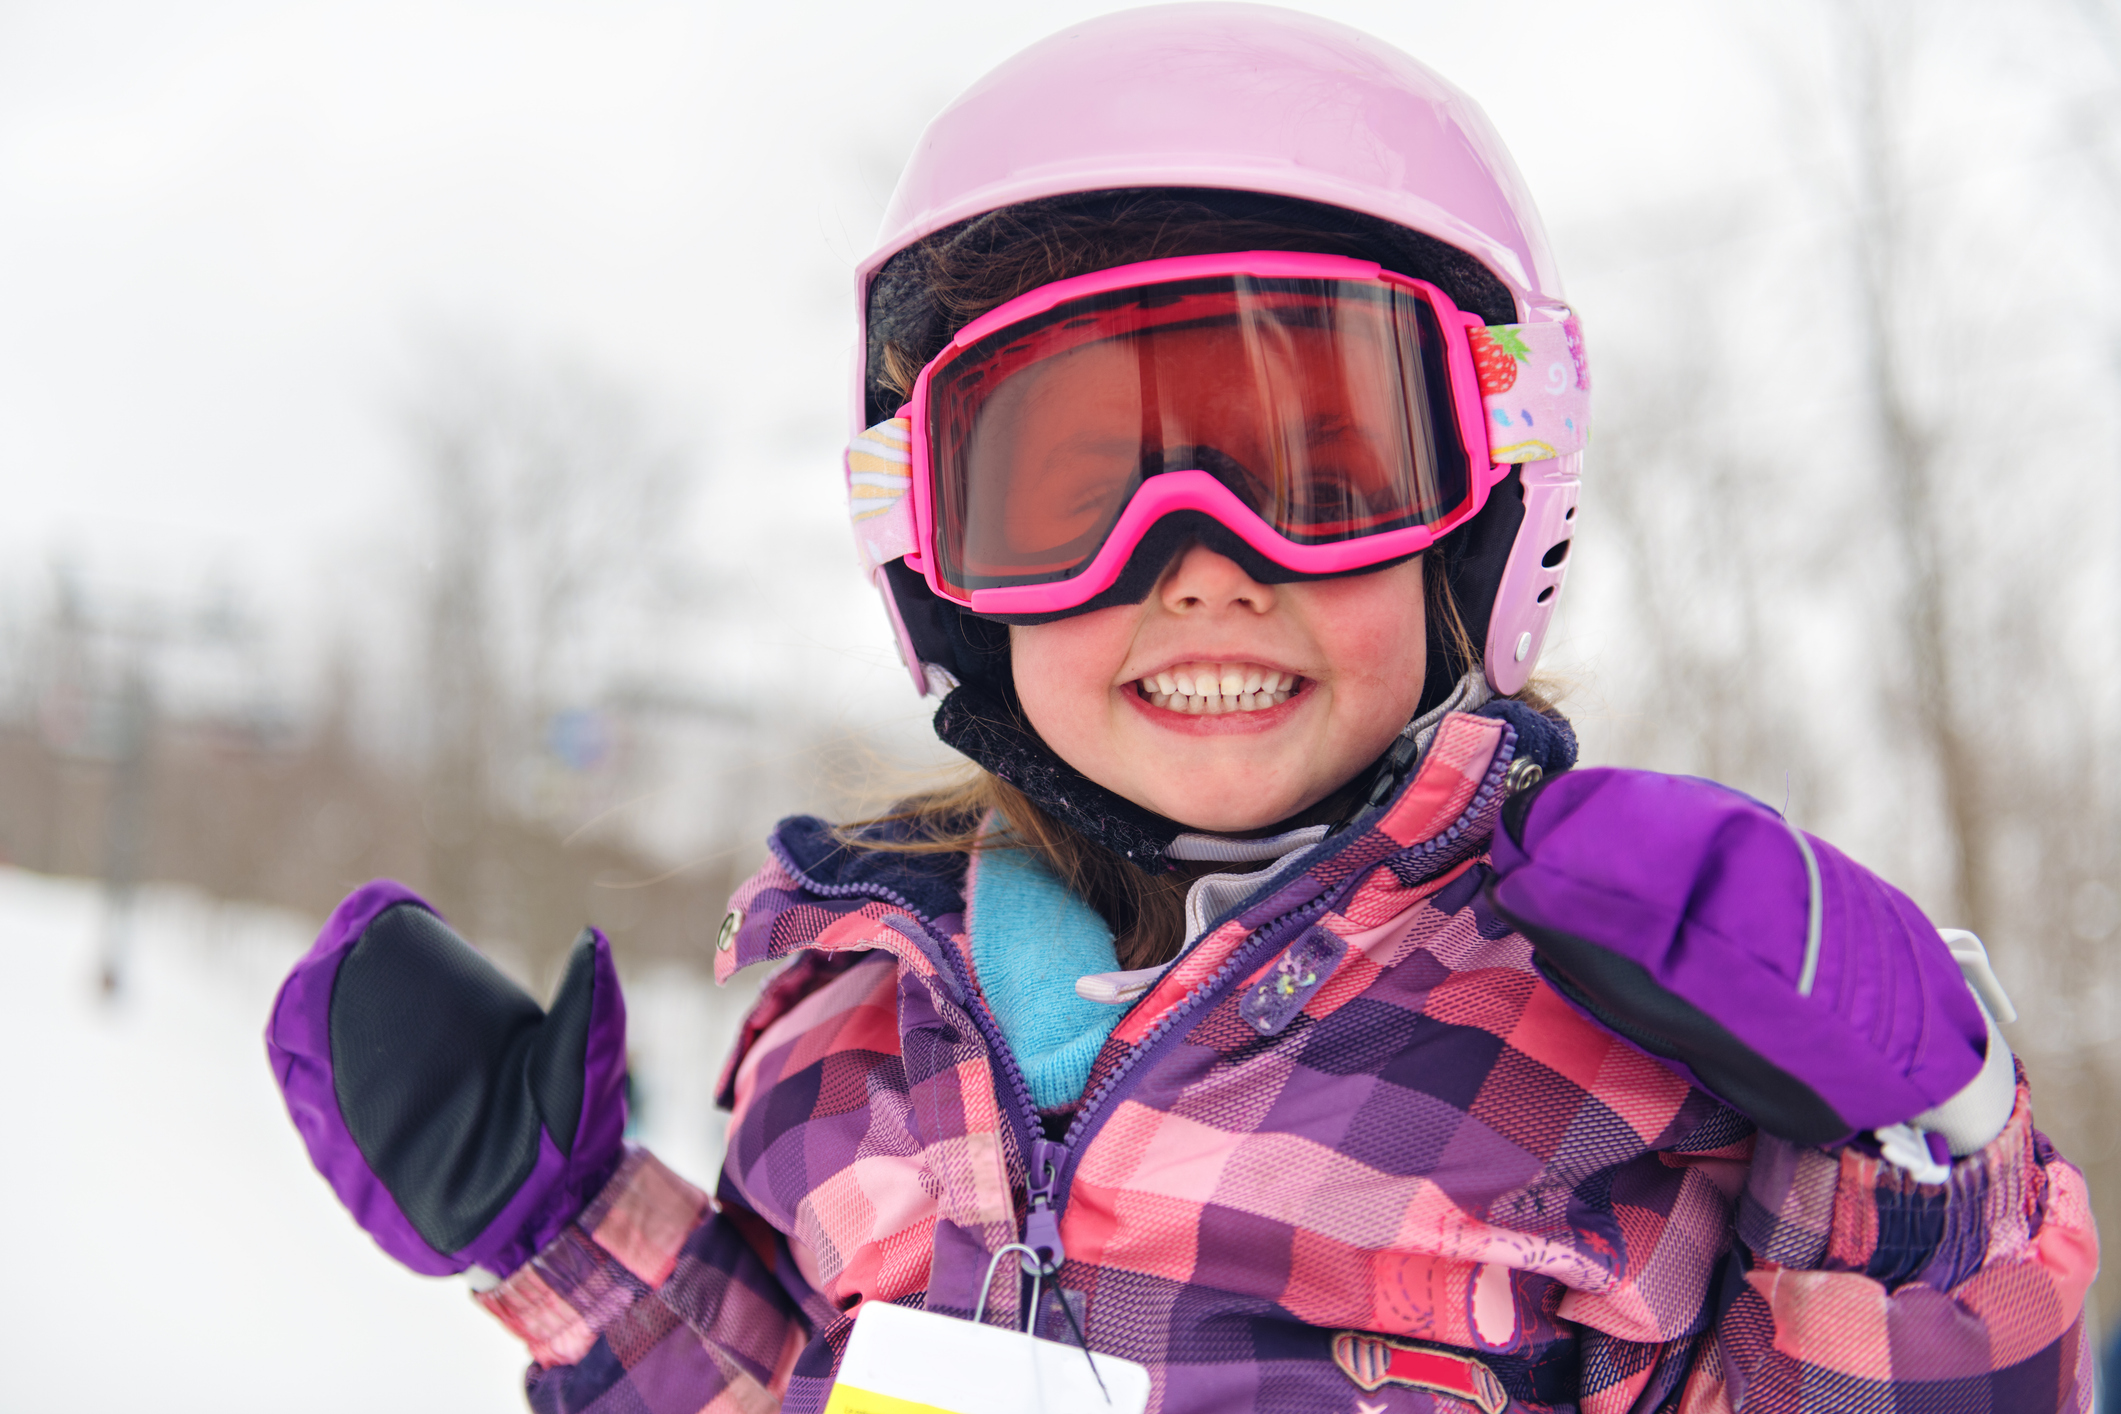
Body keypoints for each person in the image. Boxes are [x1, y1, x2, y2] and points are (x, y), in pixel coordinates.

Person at [265, 7, 2098, 1411]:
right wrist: (571, 1240)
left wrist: (1925, 1186)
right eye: (1071, 485)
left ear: (1483, 500)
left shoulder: (1612, 1077)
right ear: (936, 557)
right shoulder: (846, 1045)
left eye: (1316, 461)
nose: (1196, 562)